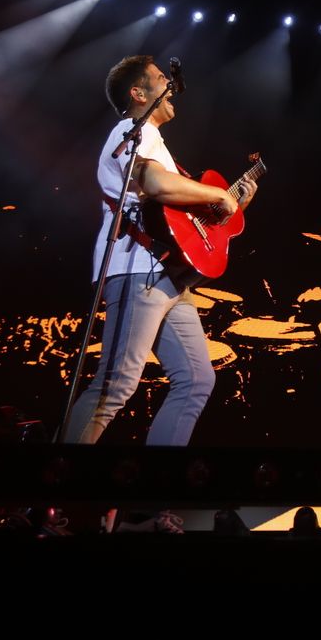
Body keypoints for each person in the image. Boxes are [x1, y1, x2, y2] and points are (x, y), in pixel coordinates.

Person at [64, 55, 257, 449]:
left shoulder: (157, 143)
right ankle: (56, 493)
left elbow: (184, 218)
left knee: (197, 379)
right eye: (158, 79)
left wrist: (232, 203)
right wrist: (220, 194)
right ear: (138, 94)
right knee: (116, 384)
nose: (170, 85)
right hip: (137, 269)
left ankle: (156, 491)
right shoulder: (133, 131)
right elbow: (156, 184)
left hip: (167, 276)